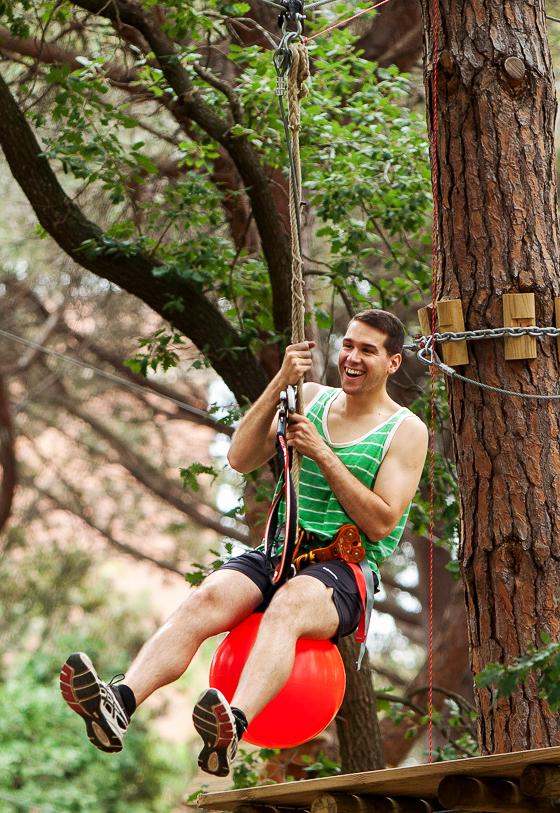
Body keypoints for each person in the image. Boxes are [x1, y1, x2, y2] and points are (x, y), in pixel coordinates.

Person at [60, 309, 428, 777]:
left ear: (393, 363)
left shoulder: (406, 429)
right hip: (281, 548)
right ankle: (121, 702)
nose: (352, 358)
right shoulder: (310, 397)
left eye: (368, 351)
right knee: (207, 598)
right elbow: (239, 457)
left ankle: (232, 725)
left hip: (344, 568)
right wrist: (279, 383)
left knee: (290, 605)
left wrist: (321, 453)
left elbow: (381, 521)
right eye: (349, 346)